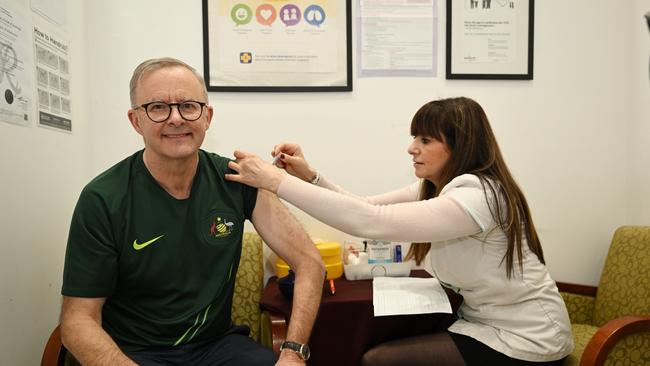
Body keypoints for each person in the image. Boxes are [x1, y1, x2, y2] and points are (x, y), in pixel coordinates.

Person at [225, 97, 574, 366]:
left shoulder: (480, 195)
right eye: (413, 138)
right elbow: (364, 205)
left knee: (380, 360)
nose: (412, 148)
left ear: (459, 144)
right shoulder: (437, 188)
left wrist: (276, 181)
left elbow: (372, 221)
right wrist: (310, 176)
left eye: (424, 139)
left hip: (527, 337)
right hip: (481, 323)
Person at [60, 57, 325, 366]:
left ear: (207, 116)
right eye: (158, 107)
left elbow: (309, 262)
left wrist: (293, 353)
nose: (176, 119)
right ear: (136, 121)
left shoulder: (237, 179)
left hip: (217, 348)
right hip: (133, 352)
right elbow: (77, 321)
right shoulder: (103, 198)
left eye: (188, 106)